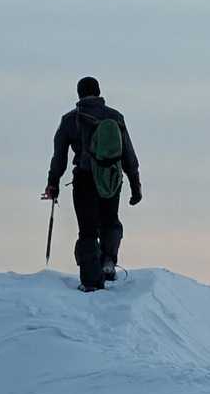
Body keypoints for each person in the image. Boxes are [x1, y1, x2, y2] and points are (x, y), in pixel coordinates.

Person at [42, 76, 142, 292]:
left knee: (87, 230)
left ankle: (90, 281)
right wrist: (136, 185)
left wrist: (53, 183)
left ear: (79, 94)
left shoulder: (70, 120)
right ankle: (108, 261)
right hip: (111, 179)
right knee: (110, 220)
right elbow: (128, 154)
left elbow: (59, 157)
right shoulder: (115, 117)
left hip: (85, 179)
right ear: (99, 92)